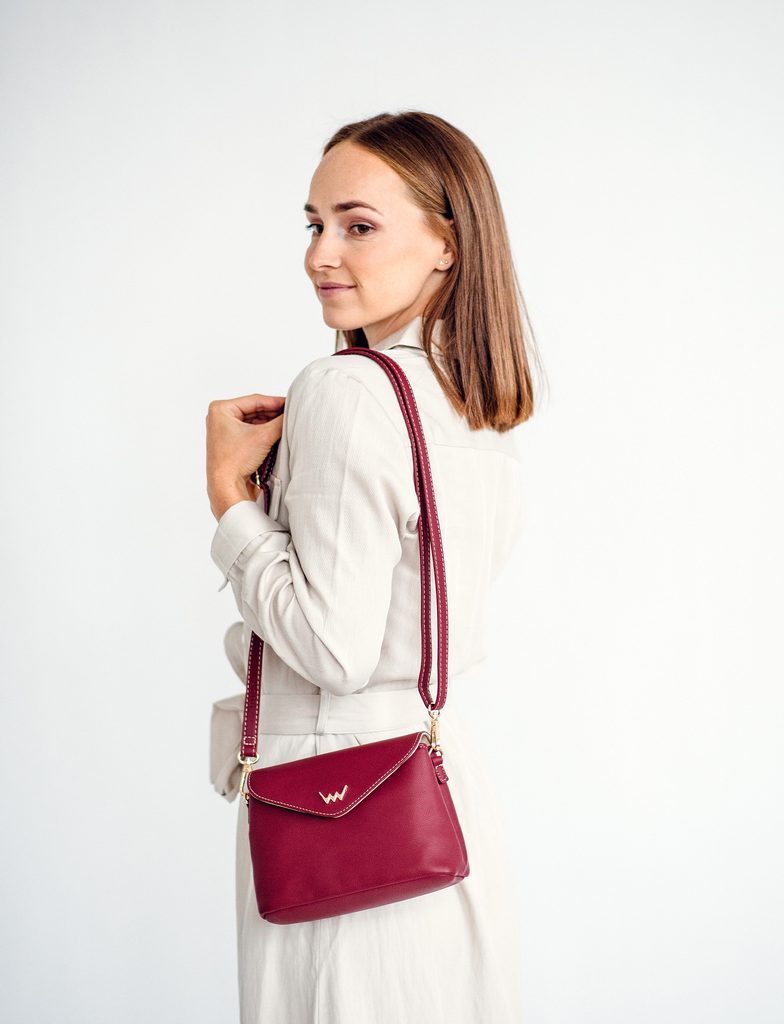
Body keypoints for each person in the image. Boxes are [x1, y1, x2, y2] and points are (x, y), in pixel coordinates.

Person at [205, 110, 543, 1024]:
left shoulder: (346, 388)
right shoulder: (472, 402)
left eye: (359, 226)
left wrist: (231, 500)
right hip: (438, 795)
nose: (321, 254)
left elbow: (334, 650)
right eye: (314, 224)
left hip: (334, 803)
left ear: (447, 243)